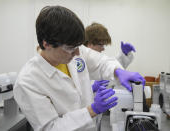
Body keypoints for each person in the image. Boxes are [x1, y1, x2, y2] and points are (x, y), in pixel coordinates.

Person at [13, 5, 145, 131]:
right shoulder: (28, 81)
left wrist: (118, 71)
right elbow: (50, 127)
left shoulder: (75, 51)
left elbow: (101, 62)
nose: (77, 53)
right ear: (46, 44)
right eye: (70, 48)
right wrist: (92, 110)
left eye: (78, 47)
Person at [84, 23, 149, 112]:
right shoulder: (77, 61)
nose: (103, 48)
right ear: (90, 44)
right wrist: (91, 88)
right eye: (101, 45)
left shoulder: (98, 61)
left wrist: (124, 54)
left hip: (95, 114)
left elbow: (110, 68)